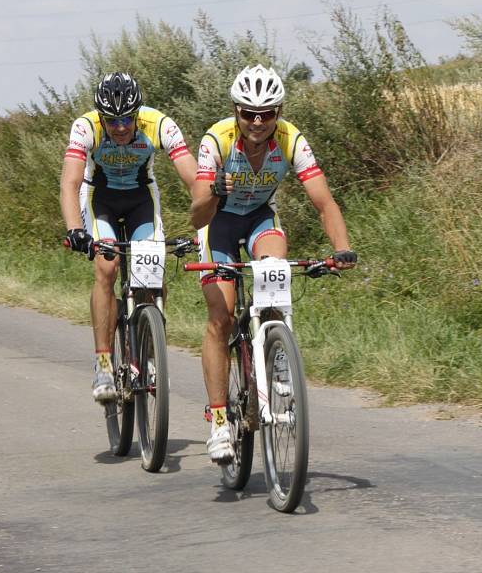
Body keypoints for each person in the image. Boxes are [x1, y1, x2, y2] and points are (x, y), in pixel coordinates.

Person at [189, 64, 358, 462]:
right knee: (222, 316)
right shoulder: (217, 140)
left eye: (267, 113)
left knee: (275, 275)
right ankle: (217, 420)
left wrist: (342, 247)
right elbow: (197, 216)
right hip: (219, 224)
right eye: (249, 112)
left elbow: (323, 201)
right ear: (236, 111)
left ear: (278, 112)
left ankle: (276, 362)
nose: (258, 122)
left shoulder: (291, 140)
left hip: (262, 217)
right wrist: (214, 191)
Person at [60, 72, 197, 403]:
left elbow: (193, 177)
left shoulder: (159, 124)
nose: (120, 127)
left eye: (127, 119)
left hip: (140, 199)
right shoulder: (85, 127)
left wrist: (203, 223)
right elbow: (71, 182)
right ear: (101, 116)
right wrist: (74, 228)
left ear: (138, 112)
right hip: (100, 200)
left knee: (152, 274)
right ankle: (104, 362)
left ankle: (149, 353)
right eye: (112, 120)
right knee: (106, 268)